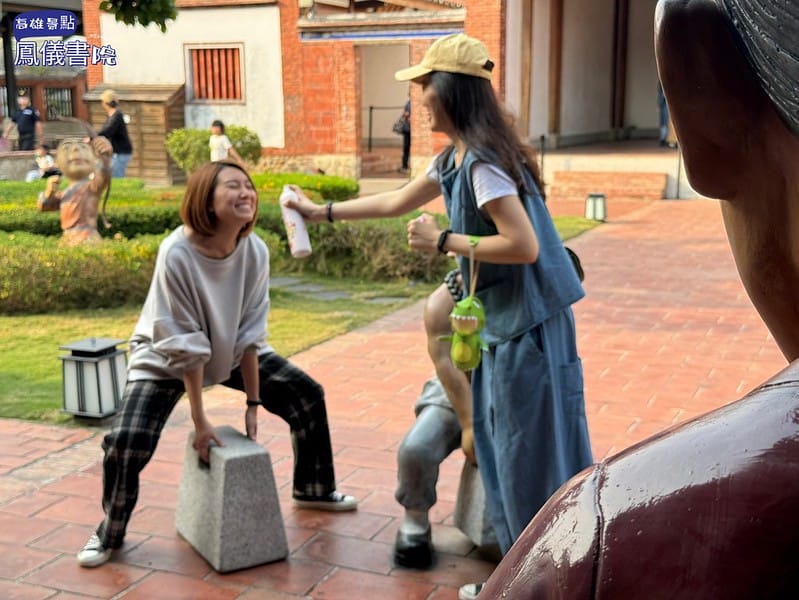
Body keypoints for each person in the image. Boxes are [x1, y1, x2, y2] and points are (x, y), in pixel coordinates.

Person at [284, 33, 593, 600]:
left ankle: (545, 585)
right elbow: (395, 201)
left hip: (529, 334)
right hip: (507, 330)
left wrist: (444, 240)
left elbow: (522, 246)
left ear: (449, 93)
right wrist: (317, 211)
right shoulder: (455, 158)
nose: (417, 98)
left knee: (533, 465)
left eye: (425, 87)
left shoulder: (483, 165)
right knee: (506, 459)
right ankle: (525, 582)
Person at [76, 160, 358, 569]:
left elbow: (249, 335)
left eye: (249, 186)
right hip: (165, 359)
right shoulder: (176, 252)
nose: (246, 193)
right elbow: (185, 345)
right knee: (127, 441)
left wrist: (254, 402)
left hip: (225, 353)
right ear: (206, 199)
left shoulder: (254, 250)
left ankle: (314, 488)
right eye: (232, 186)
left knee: (305, 395)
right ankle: (110, 531)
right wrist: (200, 422)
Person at [37, 137, 112, 246]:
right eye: (68, 148)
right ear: (58, 162)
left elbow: (103, 176)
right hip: (67, 239)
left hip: (87, 239)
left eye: (83, 148)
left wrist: (105, 157)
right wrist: (49, 192)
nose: (76, 149)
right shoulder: (66, 193)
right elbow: (44, 207)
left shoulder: (91, 187)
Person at [97, 89, 133, 178]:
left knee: (117, 177)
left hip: (121, 152)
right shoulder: (112, 116)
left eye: (102, 102)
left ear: (106, 103)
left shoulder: (116, 116)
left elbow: (107, 131)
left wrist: (92, 137)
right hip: (116, 153)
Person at [400, 98, 411, 173]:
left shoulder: (410, 103)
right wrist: (407, 115)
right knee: (406, 148)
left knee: (407, 148)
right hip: (407, 129)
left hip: (411, 129)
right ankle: (404, 166)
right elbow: (404, 114)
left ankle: (406, 165)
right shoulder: (408, 103)